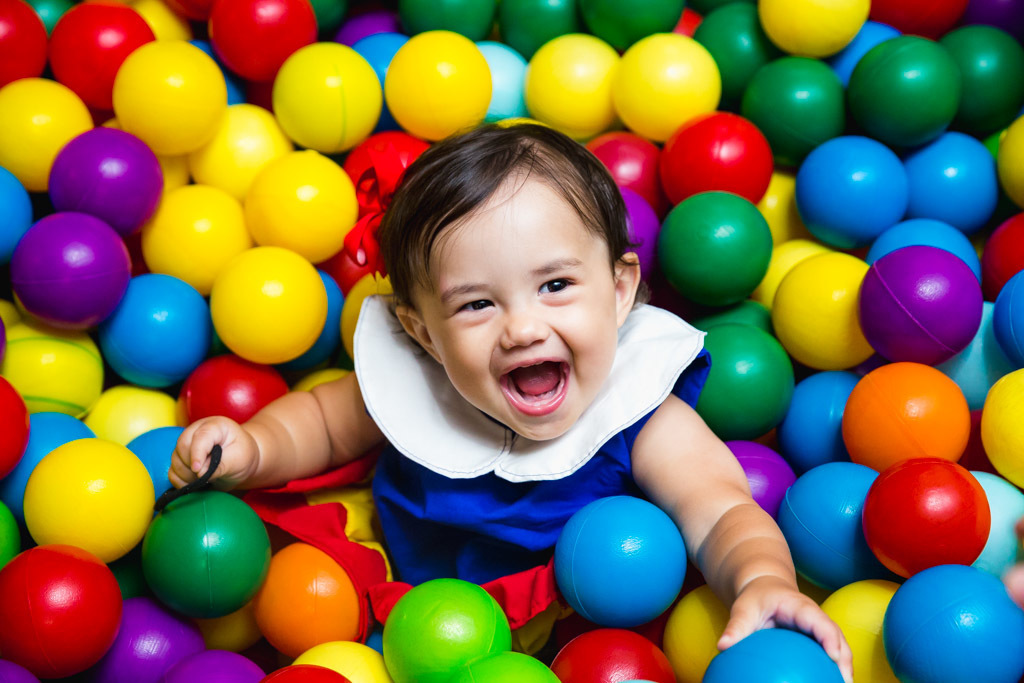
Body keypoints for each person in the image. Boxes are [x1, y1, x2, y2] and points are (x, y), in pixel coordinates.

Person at [171, 123, 852, 680]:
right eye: (476, 303)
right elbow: (320, 424)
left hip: (576, 634)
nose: (522, 327)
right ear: (422, 331)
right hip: (407, 622)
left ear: (619, 291)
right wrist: (254, 445)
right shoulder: (415, 383)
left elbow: (720, 508)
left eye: (555, 285)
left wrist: (762, 578)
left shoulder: (639, 408)